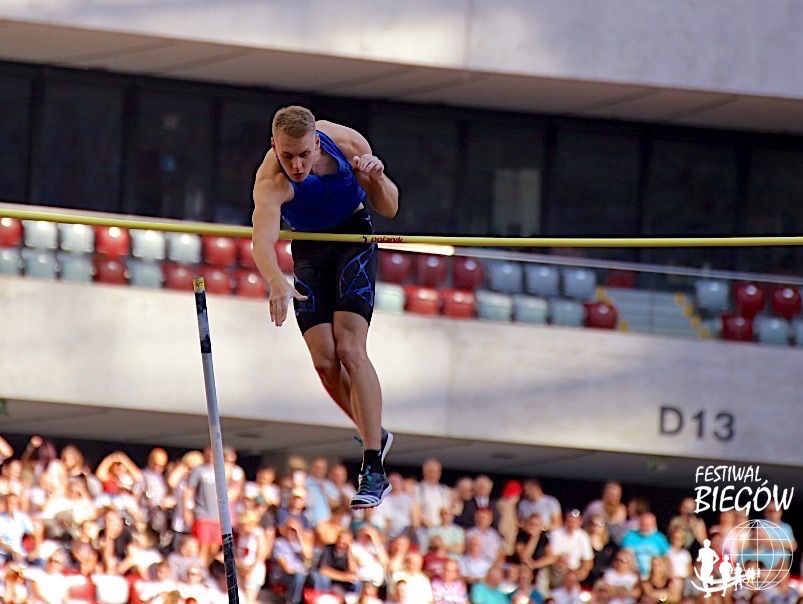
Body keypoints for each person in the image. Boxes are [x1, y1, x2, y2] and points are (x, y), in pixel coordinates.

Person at [252, 104, 399, 509]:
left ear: (317, 142)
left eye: (304, 154)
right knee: (324, 360)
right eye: (287, 156)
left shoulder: (347, 144)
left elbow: (389, 207)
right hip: (310, 248)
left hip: (353, 238)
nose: (297, 166)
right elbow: (262, 240)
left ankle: (373, 465)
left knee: (350, 347)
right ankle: (376, 433)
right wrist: (275, 280)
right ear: (274, 146)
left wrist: (377, 177)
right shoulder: (271, 179)